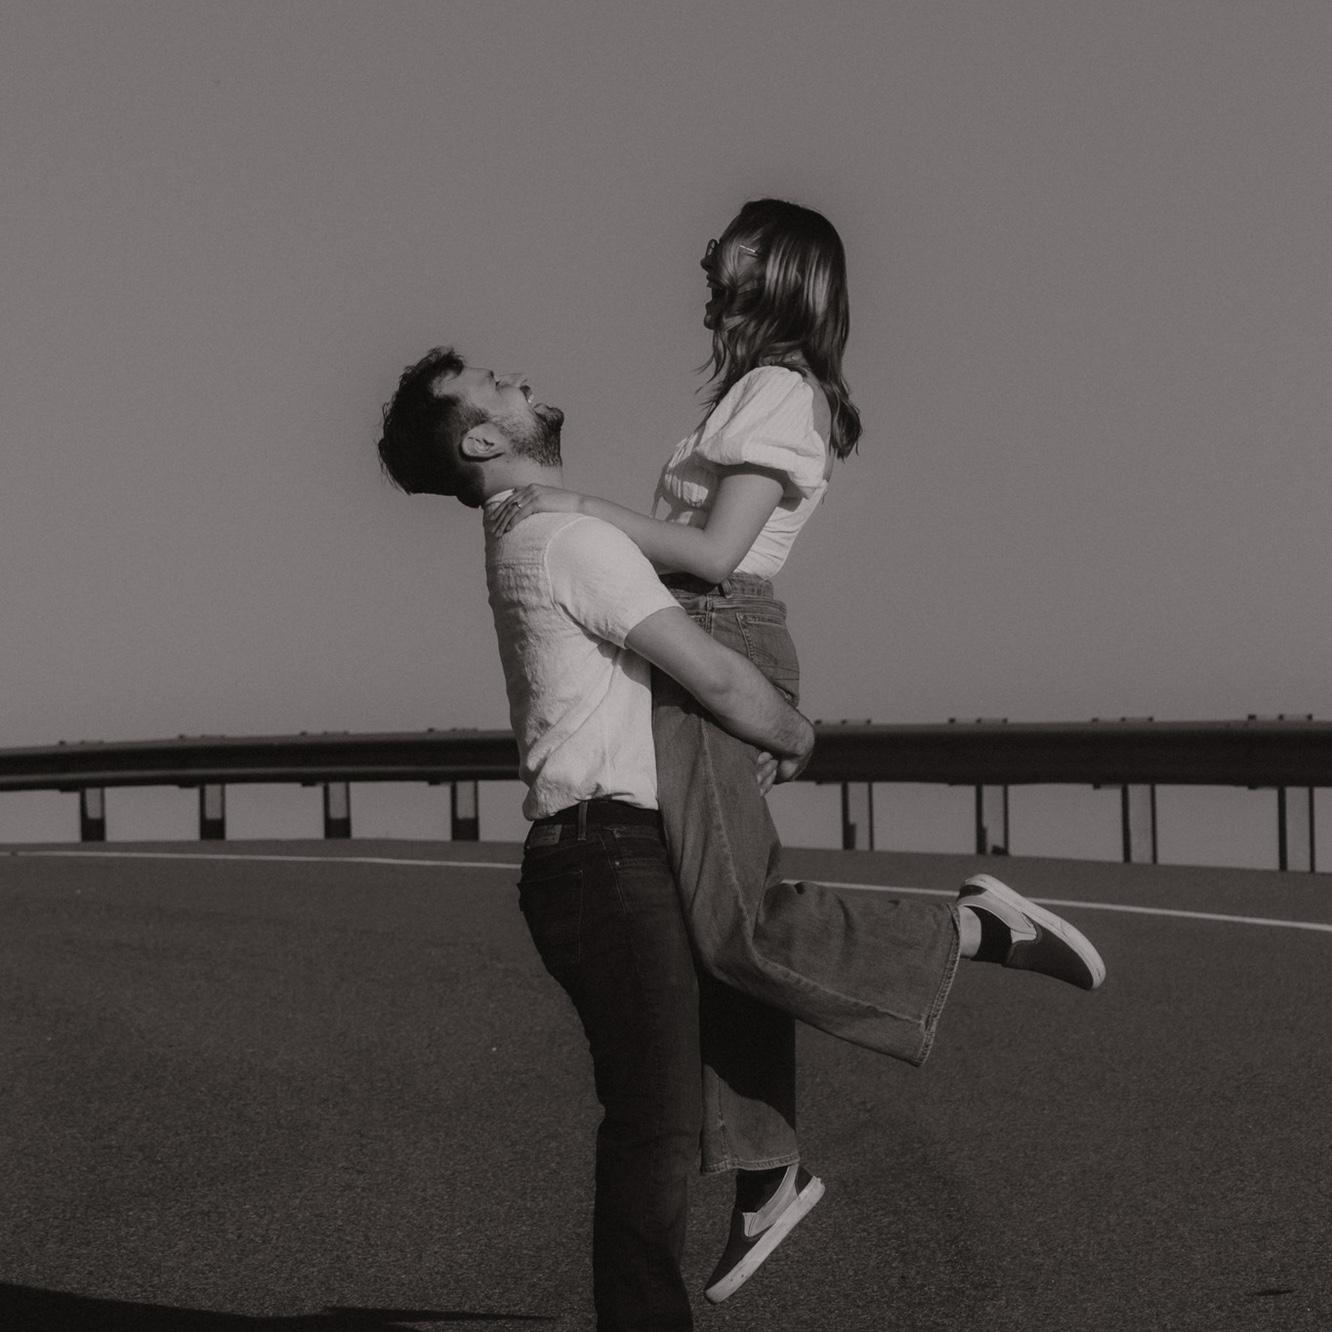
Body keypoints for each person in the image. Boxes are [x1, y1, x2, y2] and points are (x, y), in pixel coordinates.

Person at [376, 346, 1105, 1330]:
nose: (516, 379)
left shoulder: (542, 533)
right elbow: (712, 672)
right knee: (657, 1120)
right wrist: (795, 735)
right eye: (492, 386)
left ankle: (769, 1169)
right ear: (479, 440)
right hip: (606, 857)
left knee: (712, 1022)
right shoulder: (563, 540)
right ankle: (970, 935)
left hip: (617, 849)